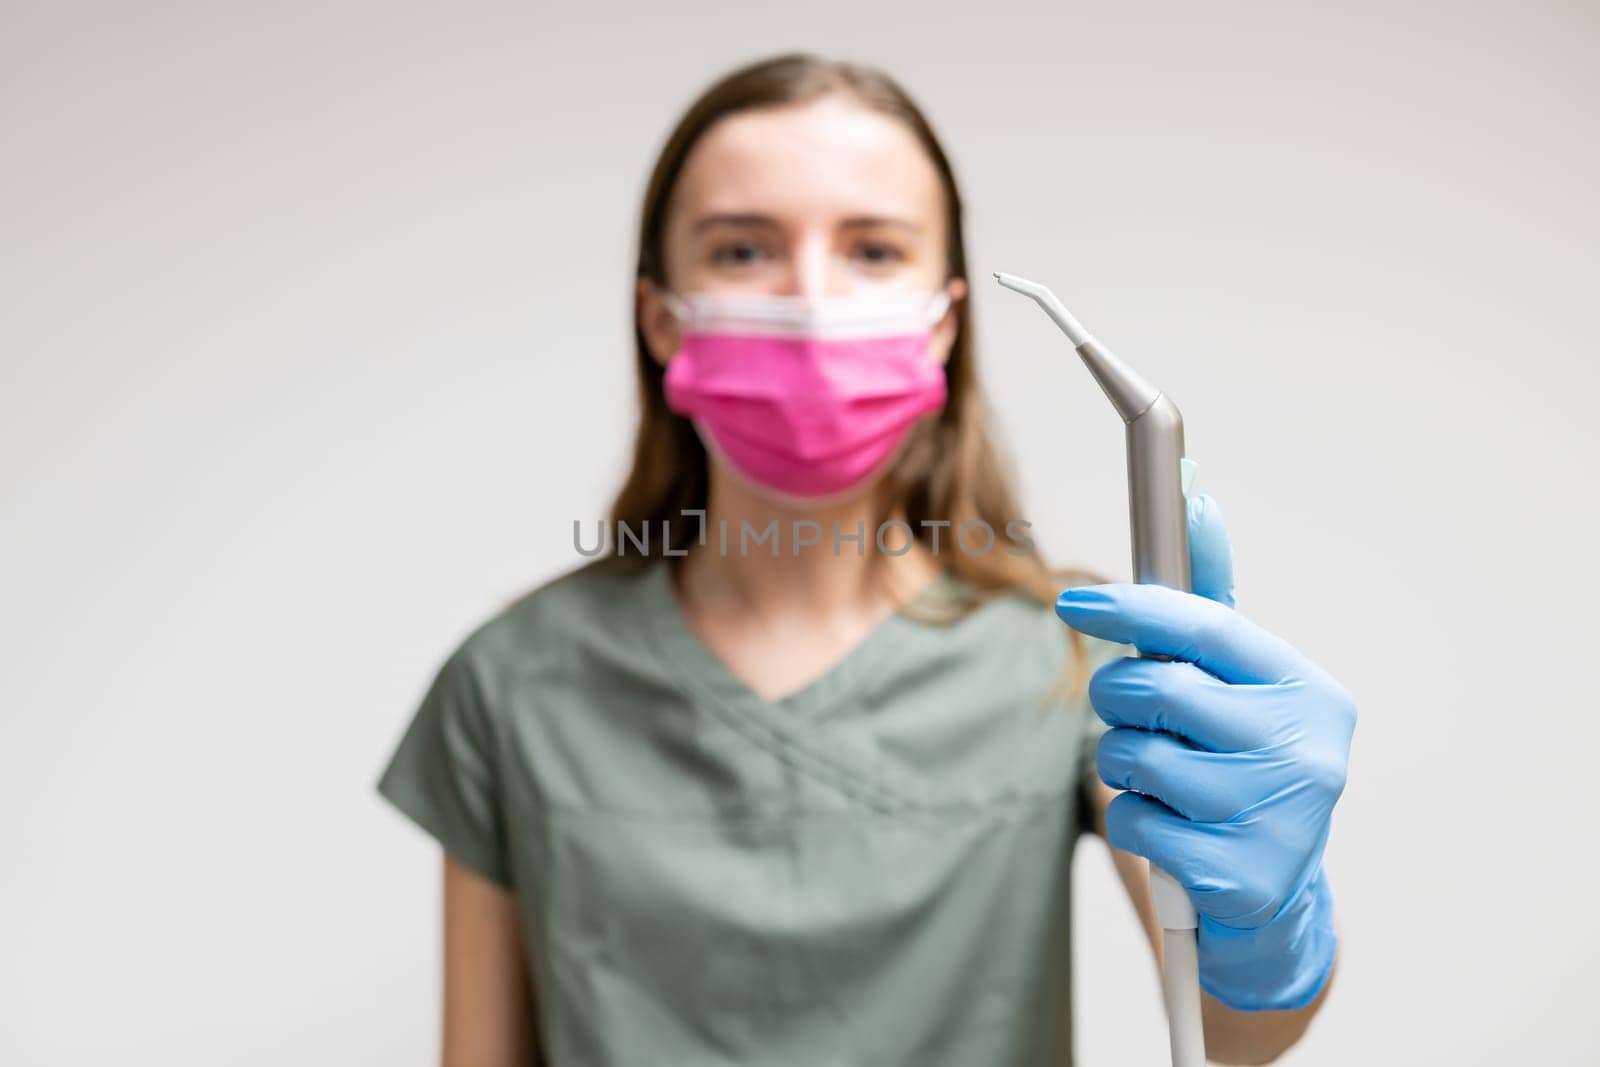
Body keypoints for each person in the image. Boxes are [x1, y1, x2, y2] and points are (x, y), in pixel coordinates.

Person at [376, 52, 1356, 1067]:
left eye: (872, 250)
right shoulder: (510, 682)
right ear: (662, 316)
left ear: (943, 321)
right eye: (744, 250)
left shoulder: (1077, 656)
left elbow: (1240, 1037)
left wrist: (1270, 923)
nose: (809, 300)